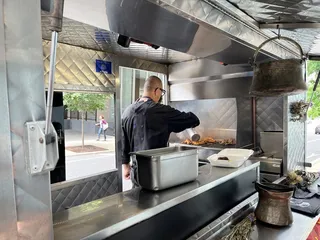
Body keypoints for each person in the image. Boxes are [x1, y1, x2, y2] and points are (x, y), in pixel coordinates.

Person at [121, 76, 200, 187]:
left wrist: (125, 166)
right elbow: (192, 119)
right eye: (162, 92)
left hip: (136, 172)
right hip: (156, 174)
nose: (160, 95)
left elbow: (124, 142)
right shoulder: (160, 110)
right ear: (156, 91)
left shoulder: (127, 111)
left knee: (138, 200)